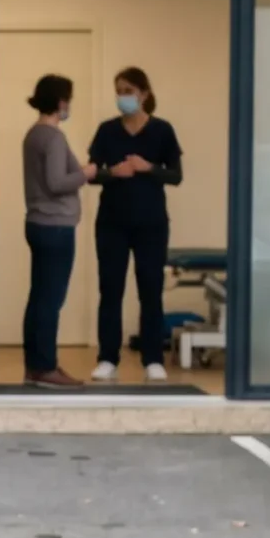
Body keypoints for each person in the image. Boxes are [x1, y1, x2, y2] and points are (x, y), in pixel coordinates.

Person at [84, 66, 184, 383]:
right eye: (119, 91)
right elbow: (91, 174)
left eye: (128, 91)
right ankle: (107, 358)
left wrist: (148, 167)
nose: (122, 97)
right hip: (112, 223)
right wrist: (112, 173)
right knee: (110, 290)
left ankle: (152, 359)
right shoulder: (106, 131)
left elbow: (176, 176)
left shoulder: (162, 131)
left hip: (151, 224)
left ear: (143, 93)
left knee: (150, 291)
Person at [21, 73, 97, 388]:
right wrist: (86, 173)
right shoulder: (52, 137)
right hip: (55, 228)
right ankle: (45, 367)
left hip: (38, 223)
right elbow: (56, 183)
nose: (69, 105)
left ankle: (36, 365)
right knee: (51, 299)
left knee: (39, 297)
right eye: (68, 99)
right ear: (60, 101)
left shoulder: (33, 135)